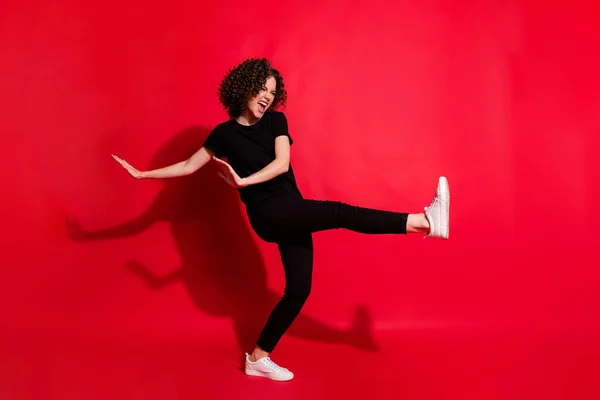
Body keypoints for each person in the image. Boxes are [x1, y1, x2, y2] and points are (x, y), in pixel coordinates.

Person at [111, 58, 450, 381]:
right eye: (262, 90)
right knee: (340, 213)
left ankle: (258, 358)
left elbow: (282, 164)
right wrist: (143, 175)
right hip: (268, 213)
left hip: (292, 209)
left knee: (299, 289)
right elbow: (188, 165)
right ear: (245, 88)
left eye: (273, 93)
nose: (267, 98)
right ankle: (422, 221)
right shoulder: (223, 134)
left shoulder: (276, 121)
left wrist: (243, 181)